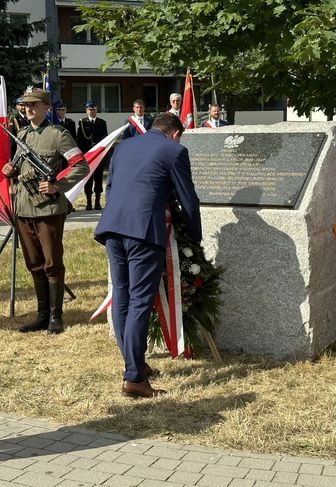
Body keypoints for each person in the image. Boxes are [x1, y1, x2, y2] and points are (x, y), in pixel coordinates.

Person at [94, 113, 202, 398]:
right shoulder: (175, 150)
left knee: (123, 296)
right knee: (140, 300)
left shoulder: (125, 146)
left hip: (112, 226)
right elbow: (187, 198)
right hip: (143, 231)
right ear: (176, 133)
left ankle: (135, 363)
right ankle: (134, 378)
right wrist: (195, 236)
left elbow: (111, 188)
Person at [2, 88, 89, 334]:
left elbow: (81, 166)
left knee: (52, 263)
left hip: (49, 209)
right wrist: (11, 171)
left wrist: (57, 186)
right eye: (25, 105)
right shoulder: (22, 134)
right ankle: (41, 315)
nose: (28, 109)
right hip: (24, 208)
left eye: (34, 104)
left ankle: (55, 317)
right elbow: (20, 169)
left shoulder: (58, 134)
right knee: (34, 263)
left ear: (46, 107)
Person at [77, 100, 108, 210]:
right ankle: (89, 202)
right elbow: (79, 140)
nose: (92, 111)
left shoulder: (102, 122)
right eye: (90, 109)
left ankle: (97, 202)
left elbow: (105, 138)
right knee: (88, 178)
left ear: (97, 110)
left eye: (94, 109)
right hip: (87, 155)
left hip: (98, 155)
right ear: (86, 110)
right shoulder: (82, 122)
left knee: (98, 178)